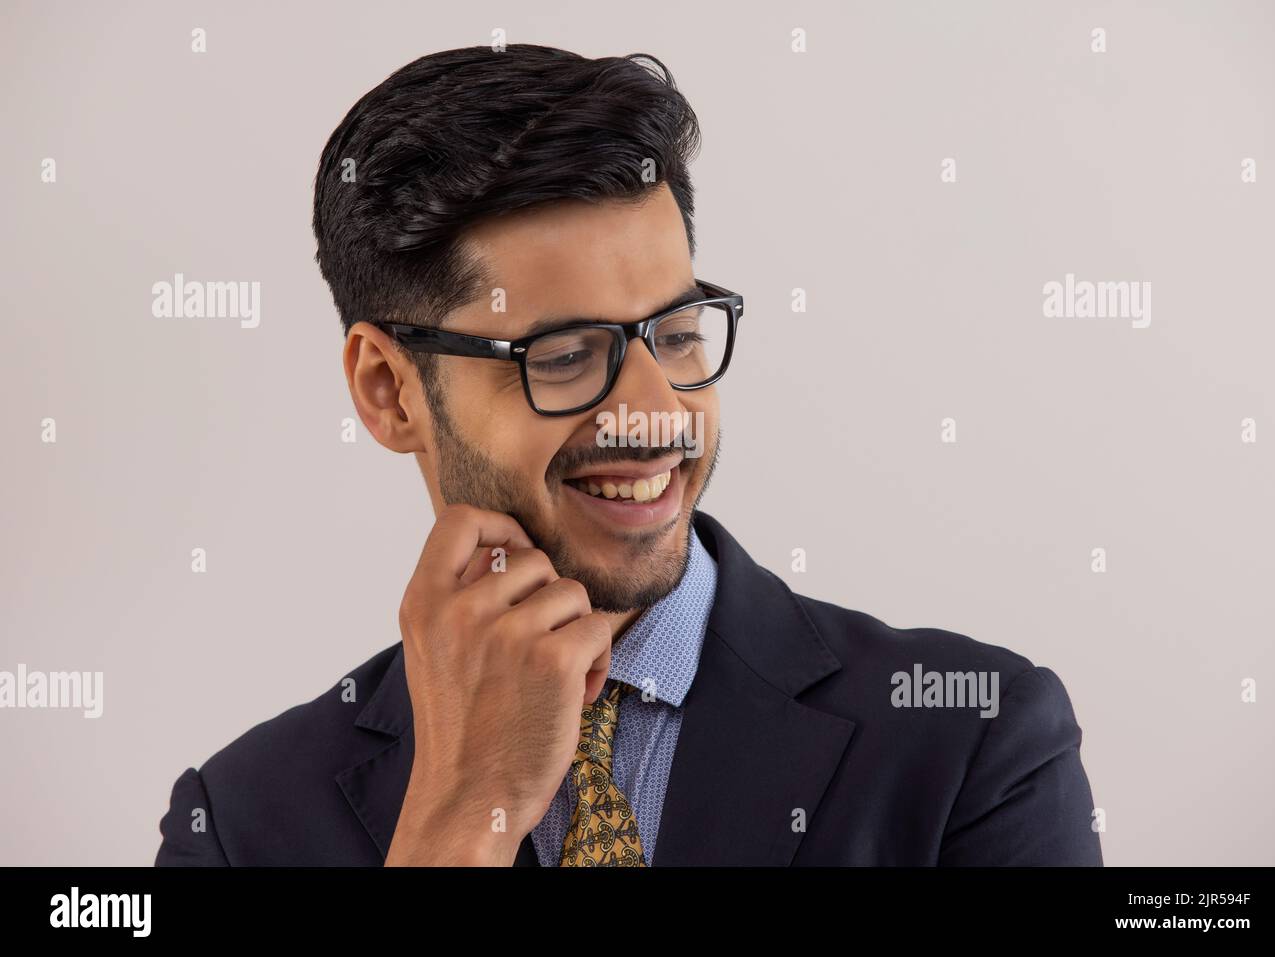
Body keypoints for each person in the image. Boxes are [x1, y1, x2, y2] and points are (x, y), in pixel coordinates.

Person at [155, 44, 1102, 867]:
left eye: (678, 332)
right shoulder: (238, 824)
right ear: (388, 389)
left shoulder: (970, 744)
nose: (658, 412)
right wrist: (456, 825)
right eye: (565, 356)